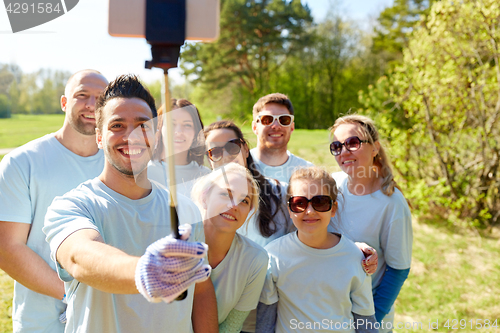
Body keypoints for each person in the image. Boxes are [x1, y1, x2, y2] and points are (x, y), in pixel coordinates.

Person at [43, 74, 216, 332]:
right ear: (99, 137)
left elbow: (200, 290)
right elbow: (81, 257)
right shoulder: (72, 206)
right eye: (117, 126)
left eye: (142, 125)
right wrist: (145, 271)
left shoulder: (186, 209)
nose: (131, 136)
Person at [203, 120, 378, 332]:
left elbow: (317, 215)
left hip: (252, 315)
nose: (226, 155)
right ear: (208, 158)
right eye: (215, 151)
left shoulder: (277, 193)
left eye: (232, 146)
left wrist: (354, 249)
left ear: (245, 148)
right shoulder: (200, 201)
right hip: (210, 307)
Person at [0, 69, 108, 332]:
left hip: (109, 319)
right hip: (42, 323)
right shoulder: (22, 162)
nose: (92, 105)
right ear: (64, 102)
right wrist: (71, 296)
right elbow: (7, 247)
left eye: (101, 98)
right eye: (82, 95)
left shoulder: (122, 165)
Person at [256, 167, 378, 333]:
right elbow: (266, 322)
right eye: (299, 203)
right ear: (290, 210)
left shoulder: (355, 257)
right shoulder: (274, 256)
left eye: (320, 202)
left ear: (333, 209)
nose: (310, 211)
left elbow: (366, 322)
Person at [330, 114, 412, 333]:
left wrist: (370, 321)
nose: (344, 151)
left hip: (366, 318)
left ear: (375, 148)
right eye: (337, 146)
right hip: (328, 313)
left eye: (353, 143)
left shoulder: (392, 202)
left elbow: (398, 269)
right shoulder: (331, 186)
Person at [190, 163, 268, 332]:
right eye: (226, 194)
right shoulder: (181, 240)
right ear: (205, 197)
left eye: (244, 201)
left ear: (249, 211)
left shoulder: (255, 259)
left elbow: (232, 326)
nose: (234, 205)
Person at [148, 99, 210, 197]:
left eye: (187, 125)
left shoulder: (206, 176)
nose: (179, 131)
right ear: (159, 129)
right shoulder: (144, 173)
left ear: (196, 132)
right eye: (171, 124)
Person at [250, 93, 313, 183]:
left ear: (292, 127)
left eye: (284, 120)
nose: (276, 126)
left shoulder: (309, 173)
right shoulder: (240, 167)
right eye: (267, 120)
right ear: (255, 127)